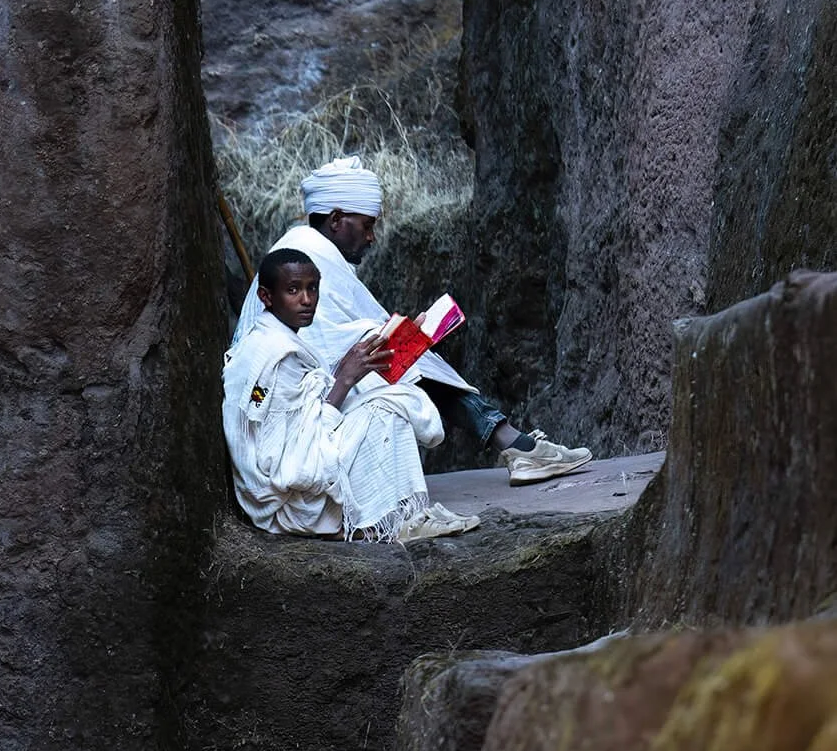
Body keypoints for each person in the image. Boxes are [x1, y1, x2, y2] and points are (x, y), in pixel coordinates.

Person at [229, 155, 593, 486]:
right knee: (403, 363)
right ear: (337, 220)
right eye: (367, 225)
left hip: (314, 413)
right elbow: (325, 350)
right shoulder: (307, 255)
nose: (372, 236)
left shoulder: (311, 252)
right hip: (291, 439)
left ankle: (511, 441)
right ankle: (513, 444)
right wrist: (394, 341)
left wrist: (404, 337)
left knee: (406, 355)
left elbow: (339, 339)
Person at [224, 245, 479, 541]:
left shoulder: (275, 340)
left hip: (292, 480)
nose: (306, 300)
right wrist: (344, 378)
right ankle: (398, 522)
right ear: (266, 297)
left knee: (375, 387)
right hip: (285, 503)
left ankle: (399, 515)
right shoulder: (271, 356)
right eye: (293, 290)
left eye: (312, 289)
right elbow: (289, 460)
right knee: (387, 409)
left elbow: (301, 412)